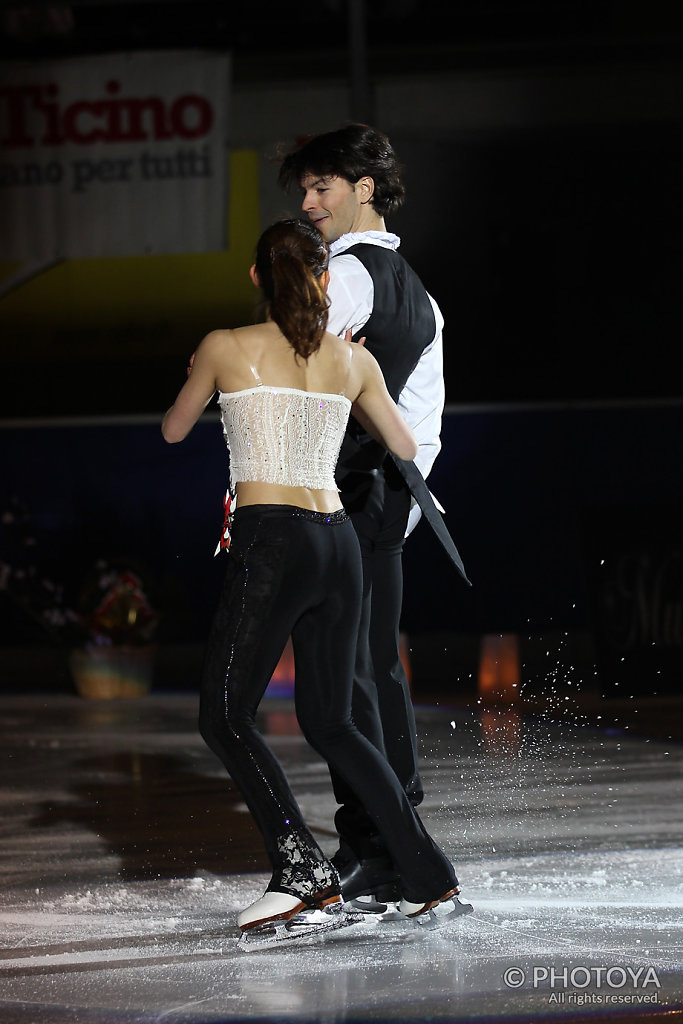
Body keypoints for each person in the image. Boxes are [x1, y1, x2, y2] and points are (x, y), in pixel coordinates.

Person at [162, 218, 461, 938]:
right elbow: (400, 442)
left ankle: (300, 871)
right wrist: (344, 380)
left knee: (224, 716)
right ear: (324, 279)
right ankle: (427, 877)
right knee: (333, 720)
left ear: (258, 277)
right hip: (339, 543)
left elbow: (174, 429)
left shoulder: (225, 346)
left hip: (273, 544)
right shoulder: (349, 361)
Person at [278, 124, 468, 906]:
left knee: (347, 674)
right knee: (368, 669)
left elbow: (292, 366)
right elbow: (421, 420)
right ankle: (392, 837)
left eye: (322, 187)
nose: (307, 202)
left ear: (363, 189)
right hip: (391, 490)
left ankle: (387, 845)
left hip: (359, 489)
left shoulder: (348, 276)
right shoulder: (413, 285)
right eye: (303, 189)